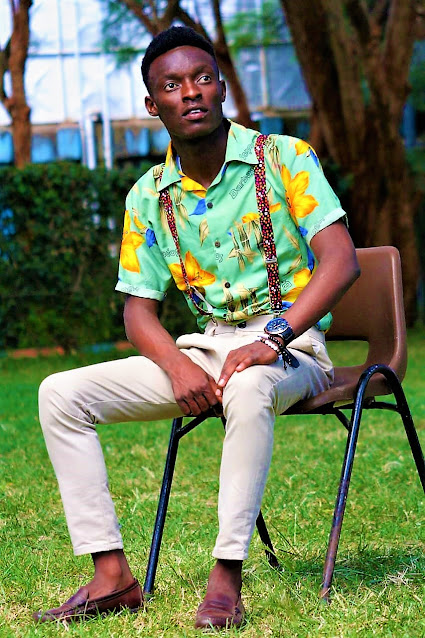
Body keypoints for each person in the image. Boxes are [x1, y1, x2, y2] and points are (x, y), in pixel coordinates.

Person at [34, 26, 360, 629]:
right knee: (59, 393)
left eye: (203, 78)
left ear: (222, 89)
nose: (191, 92)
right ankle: (112, 576)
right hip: (206, 349)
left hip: (293, 346)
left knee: (249, 384)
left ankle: (226, 579)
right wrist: (178, 364)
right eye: (172, 85)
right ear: (152, 103)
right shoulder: (148, 196)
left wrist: (273, 339)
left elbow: (341, 261)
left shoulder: (284, 158)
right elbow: (138, 311)